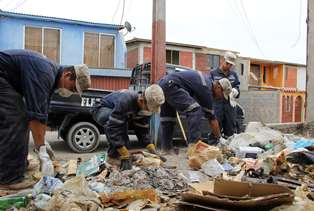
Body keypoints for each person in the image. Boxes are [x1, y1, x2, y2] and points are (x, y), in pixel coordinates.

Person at [0, 49, 91, 189]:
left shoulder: (51, 79)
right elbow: (35, 117)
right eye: (72, 88)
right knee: (16, 118)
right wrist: (42, 152)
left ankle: (17, 166)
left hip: (6, 79)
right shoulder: (44, 73)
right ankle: (8, 178)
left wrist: (43, 142)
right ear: (67, 75)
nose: (71, 93)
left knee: (20, 117)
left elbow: (41, 115)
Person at [92, 85, 165, 170]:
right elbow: (113, 127)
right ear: (141, 101)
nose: (149, 111)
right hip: (101, 109)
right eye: (149, 109)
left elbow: (142, 129)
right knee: (118, 125)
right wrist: (121, 149)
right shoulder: (126, 100)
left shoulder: (144, 108)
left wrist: (150, 146)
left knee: (123, 126)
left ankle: (119, 156)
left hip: (117, 114)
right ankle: (112, 158)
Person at [158, 69, 233, 152]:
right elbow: (212, 118)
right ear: (218, 87)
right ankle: (194, 148)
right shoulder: (206, 88)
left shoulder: (205, 81)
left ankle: (166, 149)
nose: (221, 97)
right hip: (172, 86)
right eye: (222, 94)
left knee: (168, 118)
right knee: (195, 110)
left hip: (164, 84)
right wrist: (220, 138)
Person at [210, 51, 240, 138]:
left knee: (230, 128)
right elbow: (210, 89)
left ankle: (227, 148)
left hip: (230, 105)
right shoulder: (213, 74)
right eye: (227, 63)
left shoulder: (233, 75)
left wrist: (236, 90)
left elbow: (237, 86)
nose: (229, 66)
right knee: (216, 127)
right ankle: (214, 147)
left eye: (231, 65)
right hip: (217, 105)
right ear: (223, 60)